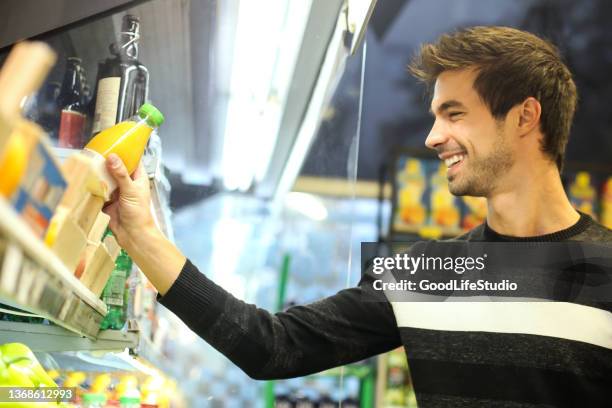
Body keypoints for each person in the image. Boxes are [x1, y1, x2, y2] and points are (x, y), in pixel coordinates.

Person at [103, 26, 611, 407]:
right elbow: (271, 347)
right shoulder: (430, 274)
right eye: (435, 116)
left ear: (525, 117)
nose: (433, 137)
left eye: (454, 114)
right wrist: (141, 233)